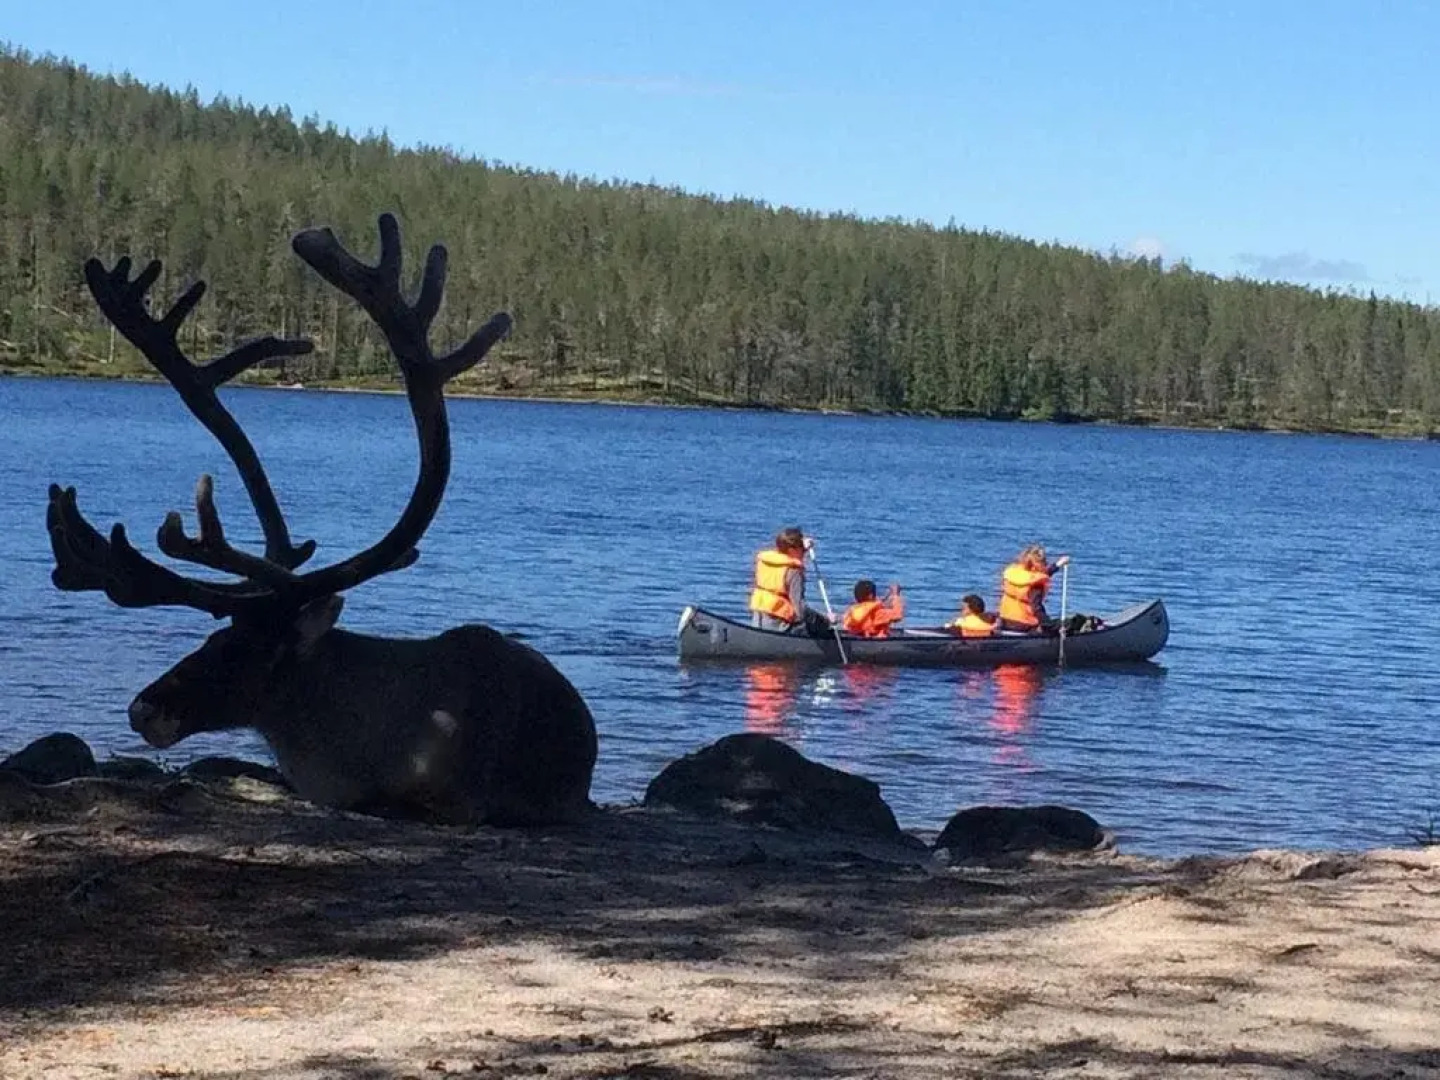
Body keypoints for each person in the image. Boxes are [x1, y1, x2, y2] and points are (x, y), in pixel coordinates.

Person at [748, 527, 824, 633]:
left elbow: (789, 556)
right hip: (779, 627)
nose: (803, 551)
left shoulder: (766, 561)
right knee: (819, 625)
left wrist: (803, 547)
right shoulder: (793, 571)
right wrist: (824, 621)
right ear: (792, 550)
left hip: (757, 621)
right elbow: (800, 610)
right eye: (801, 547)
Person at [997, 545, 1070, 633]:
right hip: (1025, 624)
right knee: (1066, 624)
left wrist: (1058, 564)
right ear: (1040, 563)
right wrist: (1051, 626)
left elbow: (1041, 573)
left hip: (1005, 620)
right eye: (1044, 561)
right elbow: (1036, 609)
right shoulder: (1035, 584)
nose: (1046, 563)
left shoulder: (1015, 573)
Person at [841, 580, 905, 638]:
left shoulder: (853, 611)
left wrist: (884, 598)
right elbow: (898, 615)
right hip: (876, 643)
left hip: (860, 638)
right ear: (871, 596)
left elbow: (872, 604)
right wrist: (896, 595)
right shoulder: (877, 613)